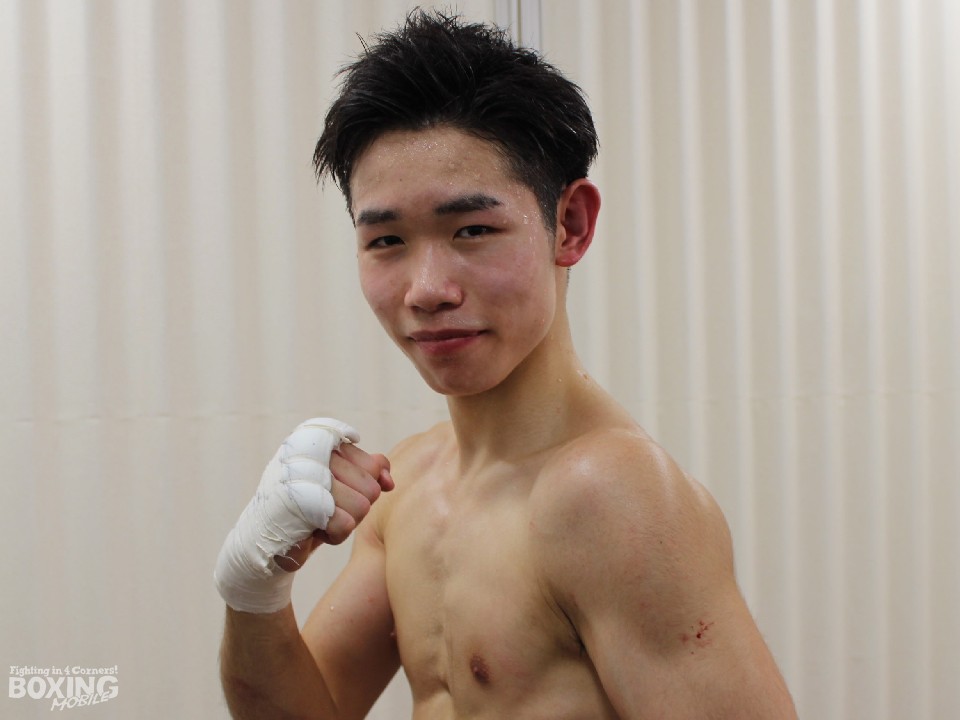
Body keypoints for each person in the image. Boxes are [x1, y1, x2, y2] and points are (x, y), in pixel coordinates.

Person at [215, 10, 799, 719]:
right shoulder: (407, 486)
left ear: (570, 225)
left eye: (473, 229)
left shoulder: (608, 495)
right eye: (387, 241)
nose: (427, 290)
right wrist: (251, 584)